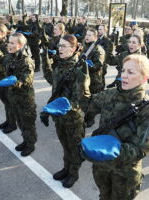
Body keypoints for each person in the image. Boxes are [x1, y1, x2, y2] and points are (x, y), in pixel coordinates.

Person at [82, 54, 149, 200]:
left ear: (144, 78)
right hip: (101, 167)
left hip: (124, 173)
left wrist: (111, 151)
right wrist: (81, 81)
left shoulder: (148, 108)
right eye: (123, 71)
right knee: (104, 196)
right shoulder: (111, 94)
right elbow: (88, 105)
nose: (124, 75)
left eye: (130, 72)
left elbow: (142, 148)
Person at [41, 34, 88, 188]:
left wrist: (63, 107)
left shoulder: (79, 69)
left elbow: (81, 99)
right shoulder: (60, 65)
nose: (59, 49)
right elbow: (52, 82)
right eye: (59, 45)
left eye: (63, 46)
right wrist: (44, 59)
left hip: (73, 119)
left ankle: (73, 173)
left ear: (74, 49)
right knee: (65, 145)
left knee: (74, 148)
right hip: (59, 117)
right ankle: (66, 168)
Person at [6, 32, 37, 156]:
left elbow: (27, 80)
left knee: (27, 123)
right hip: (14, 97)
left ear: (20, 45)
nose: (9, 45)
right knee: (20, 121)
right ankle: (25, 140)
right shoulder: (11, 56)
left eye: (12, 43)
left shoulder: (26, 61)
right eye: (9, 42)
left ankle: (31, 144)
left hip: (25, 98)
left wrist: (12, 82)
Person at [0, 24, 17, 133]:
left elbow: (6, 63)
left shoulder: (6, 46)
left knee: (9, 102)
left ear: (3, 33)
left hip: (4, 78)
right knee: (6, 102)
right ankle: (8, 120)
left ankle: (12, 123)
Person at [82, 28, 105, 94]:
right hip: (84, 81)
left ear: (95, 37)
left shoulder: (98, 50)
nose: (86, 36)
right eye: (86, 34)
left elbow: (97, 66)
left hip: (94, 83)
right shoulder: (85, 47)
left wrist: (85, 64)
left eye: (89, 35)